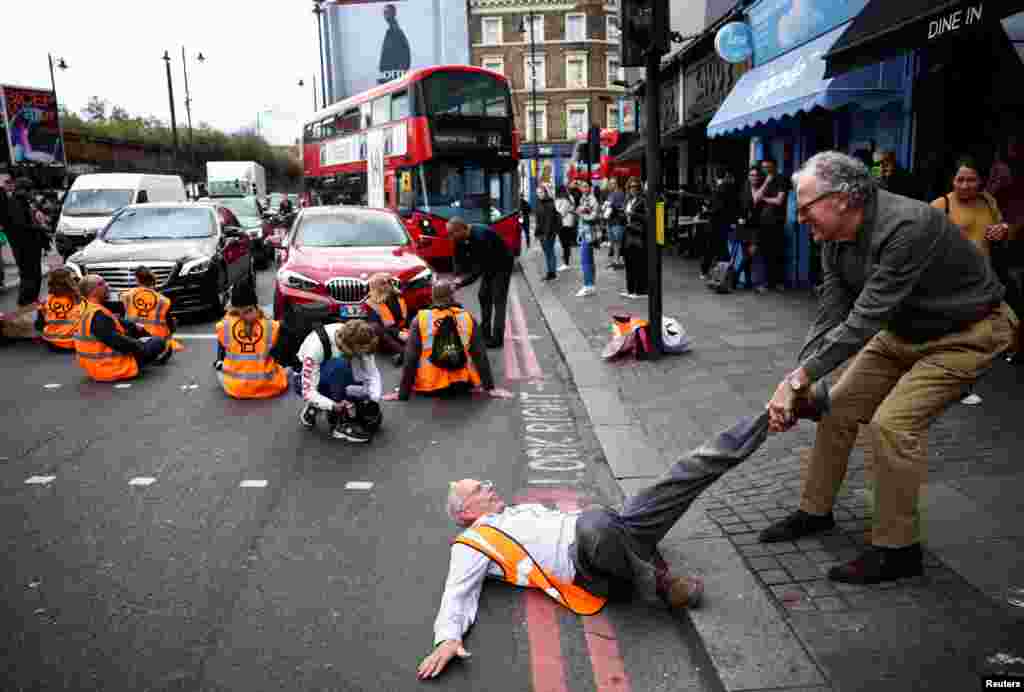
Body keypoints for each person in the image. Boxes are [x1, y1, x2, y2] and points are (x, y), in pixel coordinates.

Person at [761, 151, 1015, 584]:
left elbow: (864, 319)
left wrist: (797, 381)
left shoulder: (906, 226)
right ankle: (815, 511)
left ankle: (897, 550)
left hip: (968, 333)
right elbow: (832, 310)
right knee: (835, 408)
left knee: (892, 426)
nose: (800, 217)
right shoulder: (834, 238)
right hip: (903, 332)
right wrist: (800, 379)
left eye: (805, 208)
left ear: (842, 198)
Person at [416, 408, 790, 679]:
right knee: (594, 521)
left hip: (615, 531)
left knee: (685, 471)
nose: (489, 486)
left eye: (484, 483)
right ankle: (661, 587)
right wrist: (447, 638)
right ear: (465, 512)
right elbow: (457, 590)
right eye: (479, 489)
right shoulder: (472, 542)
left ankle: (766, 419)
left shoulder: (515, 512)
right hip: (587, 565)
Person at [387, 281, 509, 401]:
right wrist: (490, 388)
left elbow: (410, 358)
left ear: (432, 297)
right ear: (452, 296)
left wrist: (402, 394)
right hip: (462, 384)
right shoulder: (467, 317)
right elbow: (480, 355)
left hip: (430, 386)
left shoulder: (420, 319)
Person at [297, 319, 383, 443]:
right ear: (350, 347)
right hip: (304, 380)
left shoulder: (359, 336)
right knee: (340, 366)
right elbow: (308, 392)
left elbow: (372, 373)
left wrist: (373, 399)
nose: (364, 356)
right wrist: (334, 405)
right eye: (361, 353)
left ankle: (317, 404)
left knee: (362, 393)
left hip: (329, 372)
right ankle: (340, 425)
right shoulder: (315, 348)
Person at [73, 274, 171, 382]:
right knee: (157, 342)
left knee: (137, 333)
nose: (107, 285)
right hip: (111, 367)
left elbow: (117, 322)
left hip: (93, 366)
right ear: (92, 291)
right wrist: (141, 346)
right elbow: (118, 342)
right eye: (102, 283)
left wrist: (137, 329)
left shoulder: (85, 307)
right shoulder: (98, 315)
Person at [214, 280, 289, 399]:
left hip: (236, 387)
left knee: (219, 368)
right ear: (255, 303)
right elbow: (280, 356)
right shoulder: (270, 325)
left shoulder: (224, 326)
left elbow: (222, 343)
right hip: (268, 385)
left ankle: (219, 364)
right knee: (284, 369)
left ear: (232, 305)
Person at [448, 217, 514, 349]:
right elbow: (458, 259)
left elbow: (479, 270)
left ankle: (497, 339)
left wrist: (460, 283)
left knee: (498, 300)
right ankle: (485, 335)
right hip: (488, 265)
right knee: (483, 296)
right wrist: (456, 277)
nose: (450, 237)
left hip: (502, 265)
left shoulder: (481, 236)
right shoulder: (459, 238)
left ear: (462, 229)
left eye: (452, 234)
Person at [931, 157, 1011, 261]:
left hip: (984, 272)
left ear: (980, 181)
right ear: (952, 181)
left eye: (971, 180)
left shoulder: (988, 201)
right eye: (960, 180)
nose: (965, 186)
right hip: (953, 272)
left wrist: (1003, 229)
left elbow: (1001, 226)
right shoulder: (940, 205)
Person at [1, 175, 46, 309]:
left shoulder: (23, 202)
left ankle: (31, 304)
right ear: (23, 190)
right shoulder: (15, 204)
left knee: (34, 276)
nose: (33, 193)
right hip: (24, 248)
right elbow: (21, 227)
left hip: (30, 246)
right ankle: (26, 305)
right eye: (30, 190)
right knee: (30, 276)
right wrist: (40, 228)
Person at [364, 272, 411, 366]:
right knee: (374, 326)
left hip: (402, 332)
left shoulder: (399, 296)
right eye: (384, 283)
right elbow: (379, 327)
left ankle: (407, 351)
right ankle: (402, 351)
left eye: (390, 281)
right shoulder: (370, 303)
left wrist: (408, 331)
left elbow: (407, 318)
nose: (389, 284)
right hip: (385, 337)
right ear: (376, 287)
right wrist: (398, 333)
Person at [757, 159, 789, 291]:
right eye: (764, 167)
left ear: (774, 167)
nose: (766, 170)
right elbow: (756, 197)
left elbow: (779, 200)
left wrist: (764, 199)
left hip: (777, 221)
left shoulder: (782, 179)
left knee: (777, 252)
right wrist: (766, 182)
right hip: (763, 221)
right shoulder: (763, 180)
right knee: (765, 253)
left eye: (768, 167)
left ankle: (778, 282)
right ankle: (767, 283)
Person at [36, 267, 83, 352]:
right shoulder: (78, 299)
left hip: (52, 343)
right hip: (73, 342)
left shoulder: (46, 300)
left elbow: (39, 324)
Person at [122, 265, 175, 339]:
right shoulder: (163, 300)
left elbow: (121, 319)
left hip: (132, 339)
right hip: (156, 339)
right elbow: (170, 324)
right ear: (152, 280)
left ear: (137, 279)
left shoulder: (127, 296)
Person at [736, 165, 766, 293]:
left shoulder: (762, 190)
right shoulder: (744, 190)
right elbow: (738, 207)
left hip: (756, 227)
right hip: (744, 226)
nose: (753, 177)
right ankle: (748, 282)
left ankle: (735, 276)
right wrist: (739, 218)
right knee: (746, 255)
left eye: (756, 175)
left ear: (759, 177)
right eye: (751, 175)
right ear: (748, 177)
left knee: (750, 253)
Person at [701, 167, 735, 280]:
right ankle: (721, 273)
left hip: (716, 223)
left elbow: (717, 207)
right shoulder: (725, 188)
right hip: (721, 223)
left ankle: (709, 272)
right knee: (721, 249)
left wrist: (707, 210)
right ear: (726, 176)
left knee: (713, 248)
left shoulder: (720, 189)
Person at [621, 177, 648, 299]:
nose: (633, 189)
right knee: (629, 262)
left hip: (637, 235)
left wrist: (633, 214)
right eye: (631, 186)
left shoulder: (643, 200)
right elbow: (625, 216)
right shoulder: (628, 200)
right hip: (628, 233)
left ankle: (640, 290)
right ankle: (630, 289)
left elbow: (648, 217)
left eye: (636, 187)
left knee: (638, 263)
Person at [575, 181, 599, 297]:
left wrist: (581, 214)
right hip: (585, 232)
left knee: (585, 260)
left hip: (589, 233)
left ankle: (588, 285)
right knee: (588, 259)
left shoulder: (592, 200)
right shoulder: (583, 198)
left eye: (585, 187)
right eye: (582, 186)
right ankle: (591, 285)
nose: (583, 189)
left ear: (590, 188)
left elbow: (594, 216)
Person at [378, 3, 411, 83]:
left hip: (393, 76)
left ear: (393, 13)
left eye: (387, 12)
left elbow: (404, 53)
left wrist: (399, 74)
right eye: (384, 12)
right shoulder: (391, 31)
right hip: (390, 75)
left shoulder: (396, 31)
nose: (385, 15)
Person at [534, 184, 559, 281]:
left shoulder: (549, 203)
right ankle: (550, 272)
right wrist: (537, 233)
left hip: (548, 233)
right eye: (537, 193)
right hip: (542, 233)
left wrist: (546, 234)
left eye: (541, 192)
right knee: (547, 252)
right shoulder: (539, 202)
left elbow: (549, 221)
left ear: (545, 192)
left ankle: (552, 273)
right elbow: (538, 220)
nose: (539, 194)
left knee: (550, 252)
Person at [604, 178, 626, 269]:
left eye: (613, 183)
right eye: (610, 184)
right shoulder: (610, 194)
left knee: (618, 241)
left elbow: (622, 207)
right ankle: (615, 260)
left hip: (617, 221)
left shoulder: (620, 194)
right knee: (613, 242)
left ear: (616, 184)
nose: (610, 185)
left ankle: (618, 261)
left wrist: (612, 206)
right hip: (610, 221)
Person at [554, 186, 576, 271]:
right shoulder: (564, 199)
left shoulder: (565, 200)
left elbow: (561, 213)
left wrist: (556, 211)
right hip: (564, 224)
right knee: (565, 244)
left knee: (565, 244)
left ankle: (566, 263)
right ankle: (566, 260)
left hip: (565, 224)